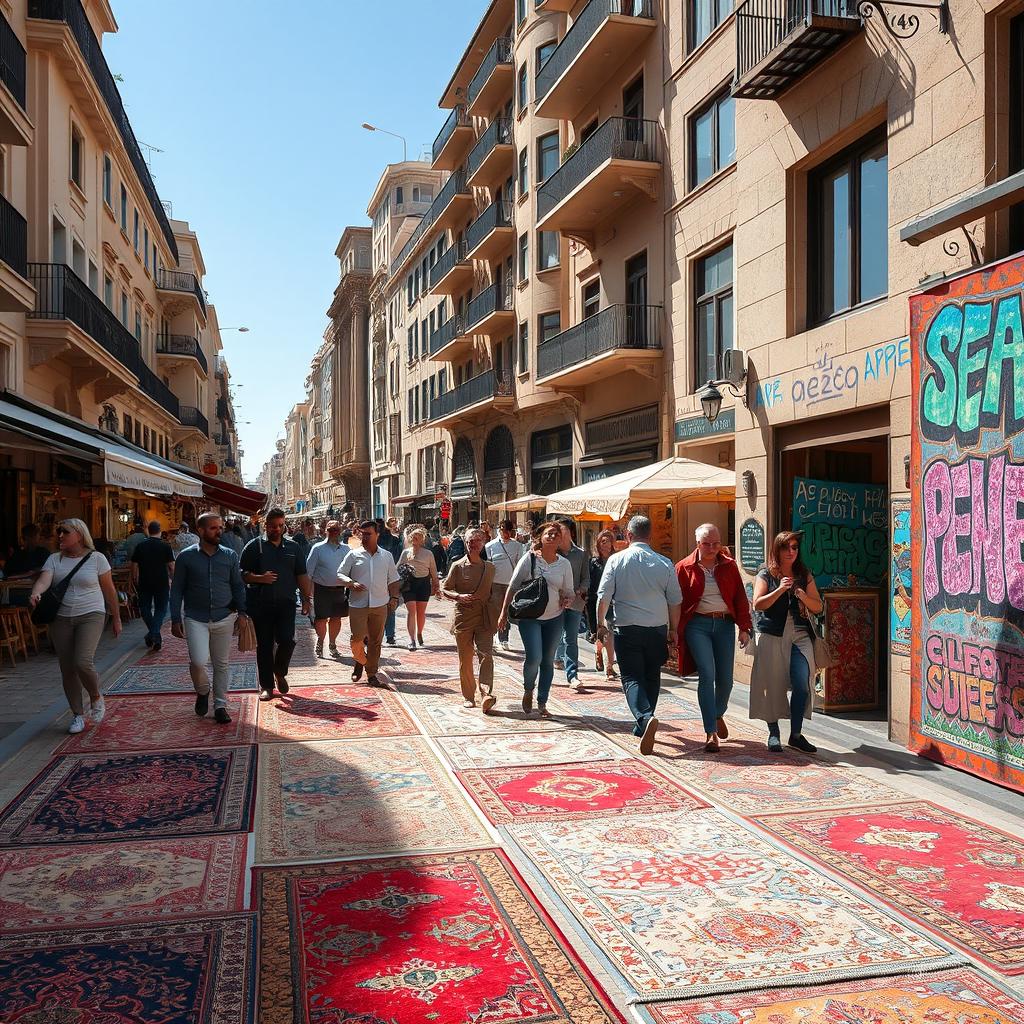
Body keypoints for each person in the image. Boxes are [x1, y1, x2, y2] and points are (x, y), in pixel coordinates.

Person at [597, 515, 682, 756]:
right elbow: (675, 600)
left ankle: (645, 718)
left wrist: (600, 624)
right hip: (656, 627)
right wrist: (673, 629)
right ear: (650, 535)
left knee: (632, 677)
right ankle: (644, 722)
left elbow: (603, 596)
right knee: (652, 674)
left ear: (629, 535)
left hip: (627, 627)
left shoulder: (616, 560)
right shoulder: (664, 563)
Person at [29, 519, 121, 734]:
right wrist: (36, 592)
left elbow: (109, 590)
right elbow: (44, 579)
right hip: (61, 618)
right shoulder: (54, 559)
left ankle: (96, 697)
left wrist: (116, 617)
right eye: (58, 531)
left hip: (91, 614)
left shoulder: (97, 558)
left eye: (65, 531)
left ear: (79, 535)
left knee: (82, 661)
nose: (60, 535)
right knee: (67, 668)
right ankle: (77, 714)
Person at [676, 523, 753, 752]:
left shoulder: (729, 566)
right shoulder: (683, 567)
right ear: (698, 543)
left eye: (716, 543)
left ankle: (717, 712)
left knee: (726, 680)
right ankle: (710, 731)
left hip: (724, 625)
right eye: (707, 544)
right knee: (707, 674)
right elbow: (675, 601)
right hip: (697, 625)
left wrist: (745, 627)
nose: (712, 548)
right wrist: (673, 630)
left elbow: (740, 597)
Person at [170, 513, 249, 724]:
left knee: (221, 664)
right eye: (213, 528)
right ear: (201, 530)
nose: (219, 531)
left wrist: (242, 612)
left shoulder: (230, 555)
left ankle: (221, 705)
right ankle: (203, 690)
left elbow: (238, 585)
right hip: (196, 617)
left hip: (224, 616)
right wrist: (175, 617)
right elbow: (177, 589)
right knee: (197, 661)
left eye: (220, 527)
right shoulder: (186, 557)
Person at [750, 530, 822, 754]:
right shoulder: (766, 574)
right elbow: (758, 604)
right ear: (777, 550)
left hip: (800, 635)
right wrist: (780, 590)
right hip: (773, 634)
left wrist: (801, 595)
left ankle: (796, 734)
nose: (791, 551)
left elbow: (818, 606)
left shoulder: (804, 574)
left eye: (794, 547)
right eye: (786, 547)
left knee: (802, 684)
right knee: (772, 685)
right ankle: (774, 733)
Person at [497, 522, 574, 717]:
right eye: (548, 534)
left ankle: (542, 701)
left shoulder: (564, 564)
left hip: (555, 617)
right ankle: (528, 689)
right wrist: (503, 612)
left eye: (556, 535)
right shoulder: (529, 559)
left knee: (548, 660)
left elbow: (569, 591)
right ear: (540, 537)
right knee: (534, 657)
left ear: (560, 540)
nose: (552, 537)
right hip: (530, 616)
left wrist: (568, 599)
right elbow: (513, 586)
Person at [240, 508, 312, 701]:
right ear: (266, 526)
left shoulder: (294, 547)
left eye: (281, 525)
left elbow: (302, 575)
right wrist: (259, 578)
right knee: (264, 645)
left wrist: (307, 599)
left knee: (287, 640)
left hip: (286, 603)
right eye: (273, 526)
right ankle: (267, 686)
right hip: (260, 604)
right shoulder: (254, 546)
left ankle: (279, 671)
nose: (277, 529)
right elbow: (241, 574)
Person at [337, 521, 400, 687]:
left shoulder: (386, 556)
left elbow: (393, 579)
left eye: (368, 534)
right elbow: (340, 574)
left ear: (377, 535)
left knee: (375, 641)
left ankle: (371, 673)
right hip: (358, 604)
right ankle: (360, 660)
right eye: (362, 534)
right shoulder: (353, 554)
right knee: (357, 639)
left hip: (380, 604)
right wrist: (351, 583)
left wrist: (394, 598)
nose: (364, 537)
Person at [441, 527, 497, 712]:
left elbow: (494, 594)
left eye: (477, 541)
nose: (473, 545)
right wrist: (458, 596)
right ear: (465, 543)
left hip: (484, 617)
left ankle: (486, 693)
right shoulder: (457, 566)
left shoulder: (490, 568)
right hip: (463, 617)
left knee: (486, 655)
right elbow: (445, 589)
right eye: (470, 541)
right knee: (465, 658)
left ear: (483, 543)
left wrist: (501, 615)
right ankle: (468, 696)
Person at [306, 521, 350, 658]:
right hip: (321, 589)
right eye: (331, 529)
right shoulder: (318, 548)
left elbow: (352, 569)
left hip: (339, 590)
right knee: (321, 619)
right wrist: (307, 594)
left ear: (340, 530)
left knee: (336, 618)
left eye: (336, 529)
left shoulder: (346, 549)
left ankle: (332, 643)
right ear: (326, 531)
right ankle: (320, 640)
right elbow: (309, 572)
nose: (333, 532)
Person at [554, 518, 588, 689]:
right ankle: (549, 665)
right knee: (554, 637)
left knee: (571, 639)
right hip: (555, 603)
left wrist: (578, 592)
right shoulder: (552, 552)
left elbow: (586, 579)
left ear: (570, 532)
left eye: (562, 529)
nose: (559, 533)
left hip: (575, 603)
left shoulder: (581, 553)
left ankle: (572, 675)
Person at [131, 520, 175, 650]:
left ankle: (153, 634)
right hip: (161, 582)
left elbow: (134, 565)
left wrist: (135, 578)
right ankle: (155, 633)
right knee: (161, 609)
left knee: (144, 608)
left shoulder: (140, 546)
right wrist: (174, 579)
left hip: (144, 581)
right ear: (160, 531)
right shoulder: (165, 546)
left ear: (148, 531)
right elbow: (171, 566)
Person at [398, 527, 440, 650]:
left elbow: (433, 571)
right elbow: (398, 567)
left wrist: (436, 586)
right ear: (410, 538)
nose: (416, 538)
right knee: (411, 611)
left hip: (423, 583)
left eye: (419, 536)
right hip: (409, 584)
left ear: (423, 540)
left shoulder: (428, 553)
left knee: (421, 612)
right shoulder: (406, 553)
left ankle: (419, 633)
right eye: (414, 536)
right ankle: (412, 640)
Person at [485, 519, 524, 651]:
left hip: (511, 584)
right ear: (499, 530)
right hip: (495, 583)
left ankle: (503, 637)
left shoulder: (518, 546)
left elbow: (519, 565)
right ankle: (494, 634)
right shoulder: (490, 546)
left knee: (506, 611)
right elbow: (488, 566)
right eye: (502, 530)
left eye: (507, 531)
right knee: (495, 611)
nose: (505, 533)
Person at [587, 529, 619, 681]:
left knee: (609, 634)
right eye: (602, 541)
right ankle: (599, 652)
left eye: (608, 541)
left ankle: (609, 667)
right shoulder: (594, 562)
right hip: (595, 601)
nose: (605, 544)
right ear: (598, 544)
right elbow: (589, 583)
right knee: (601, 634)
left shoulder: (617, 560)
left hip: (613, 602)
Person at [375, 517, 402, 645]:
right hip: (391, 575)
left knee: (377, 606)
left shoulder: (374, 540)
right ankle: (390, 635)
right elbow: (397, 559)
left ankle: (381, 634)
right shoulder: (395, 540)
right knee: (390, 605)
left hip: (377, 575)